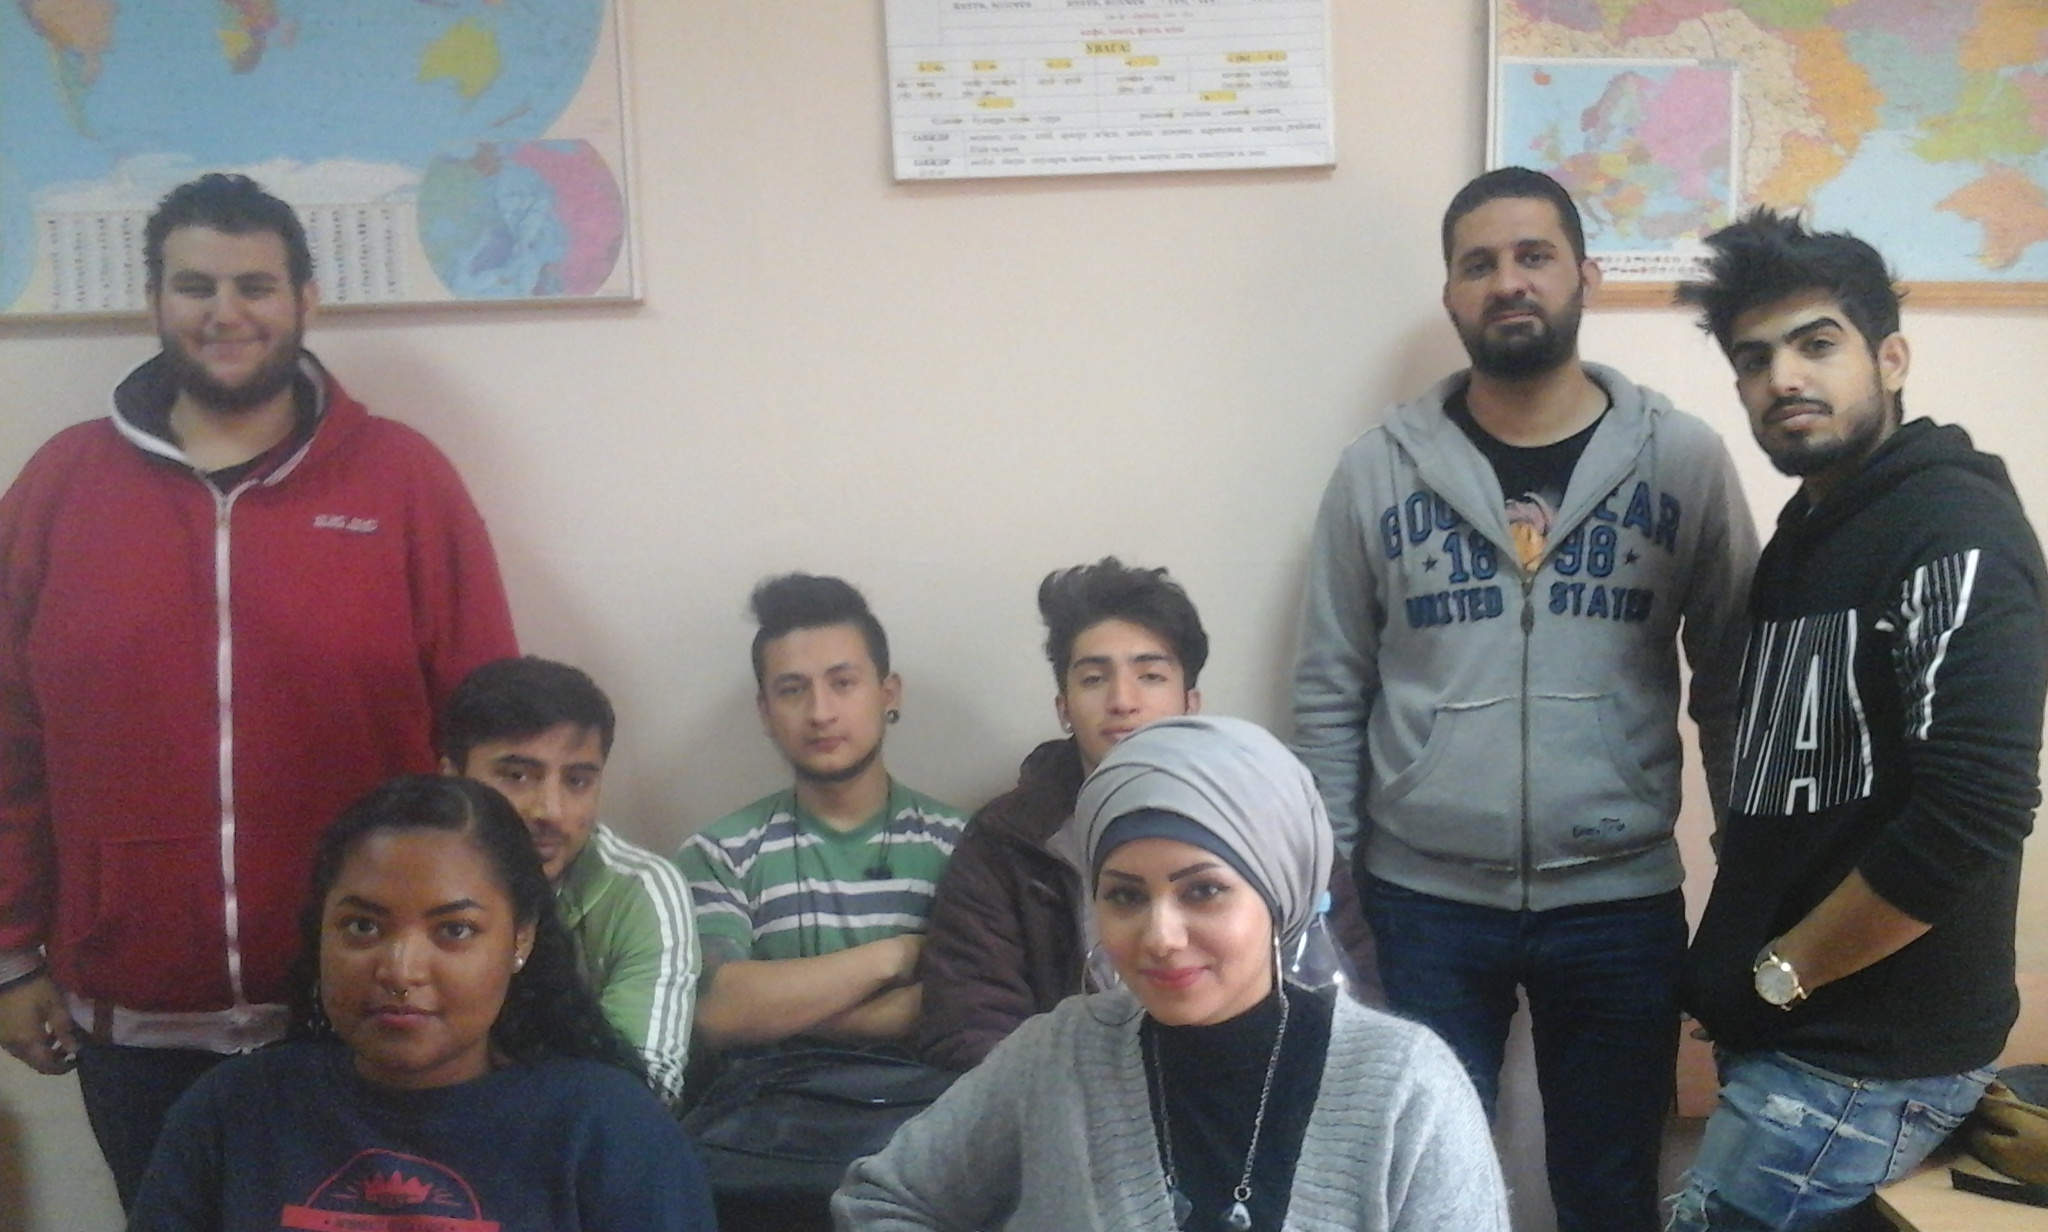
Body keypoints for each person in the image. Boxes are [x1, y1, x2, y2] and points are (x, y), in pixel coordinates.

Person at [0, 173, 515, 1207]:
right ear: (155, 298)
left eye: (255, 285)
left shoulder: (403, 480)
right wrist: (10, 955)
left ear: (305, 298)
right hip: (134, 1021)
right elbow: (8, 737)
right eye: (195, 285)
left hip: (365, 1006)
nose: (224, 312)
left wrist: (491, 953)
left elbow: (490, 737)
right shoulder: (61, 487)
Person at [1290, 166, 1757, 1231]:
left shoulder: (1680, 460)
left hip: (1618, 899)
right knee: (1419, 1187)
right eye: (1480, 264)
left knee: (1611, 1187)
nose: (1508, 281)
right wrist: (1333, 892)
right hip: (1420, 901)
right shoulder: (1375, 472)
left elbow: (1734, 686)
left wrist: (1743, 867)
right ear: (1451, 296)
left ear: (1584, 275)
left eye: (1533, 255)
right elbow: (1328, 687)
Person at [1670, 211, 2048, 1231]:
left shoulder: (1952, 527)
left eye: (1816, 343)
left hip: (1865, 1059)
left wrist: (1777, 974)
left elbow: (1970, 814)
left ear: (1889, 358)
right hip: (1796, 1038)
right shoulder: (1807, 533)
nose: (1783, 377)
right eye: (1754, 359)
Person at [835, 715, 1507, 1231]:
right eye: (1125, 896)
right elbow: (882, 1199)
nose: (1160, 937)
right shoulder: (1059, 1056)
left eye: (1203, 891)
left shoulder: (1405, 1089)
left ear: (1277, 898)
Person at [127, 775, 716, 1231]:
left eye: (454, 931)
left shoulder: (609, 1130)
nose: (400, 970)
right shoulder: (233, 1112)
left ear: (520, 939)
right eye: (362, 926)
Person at [917, 557, 1208, 1071]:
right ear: (1064, 708)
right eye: (1094, 678)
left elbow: (1334, 984)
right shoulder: (1005, 842)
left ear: (1190, 702)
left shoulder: (1268, 819)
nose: (1122, 701)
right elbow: (969, 1025)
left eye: (1150, 675)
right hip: (1063, 1102)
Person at [678, 573, 968, 1052]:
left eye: (843, 683)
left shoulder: (964, 845)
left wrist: (779, 1012)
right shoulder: (719, 854)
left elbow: (969, 1004)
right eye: (793, 690)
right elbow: (715, 1012)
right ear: (765, 711)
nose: (820, 712)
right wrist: (897, 955)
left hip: (934, 1093)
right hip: (772, 1096)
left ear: (889, 694)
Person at [440, 655, 699, 1104]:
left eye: (577, 781)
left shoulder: (639, 891)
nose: (551, 811)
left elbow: (643, 1095)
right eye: (517, 776)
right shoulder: (393, 878)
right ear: (452, 779)